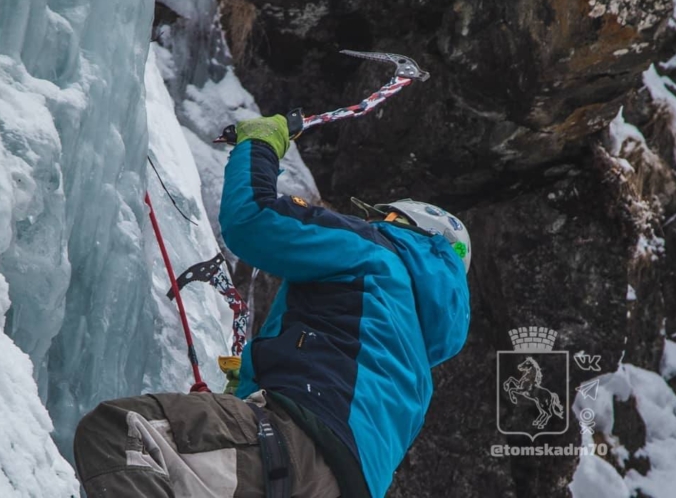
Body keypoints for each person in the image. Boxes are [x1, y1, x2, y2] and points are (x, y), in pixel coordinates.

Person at [73, 115, 471, 497]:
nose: (370, 221)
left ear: (406, 226)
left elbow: (252, 218)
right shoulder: (414, 361)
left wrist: (260, 144)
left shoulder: (375, 251)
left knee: (122, 433)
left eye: (383, 216)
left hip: (293, 443)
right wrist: (246, 391)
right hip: (332, 479)